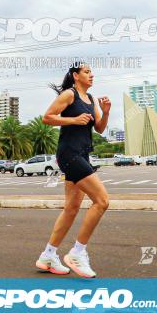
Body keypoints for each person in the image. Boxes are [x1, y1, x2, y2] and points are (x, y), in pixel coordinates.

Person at [36, 62, 111, 278]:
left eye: (91, 72)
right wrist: (74, 120)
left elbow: (99, 128)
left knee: (72, 207)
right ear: (75, 75)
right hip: (69, 154)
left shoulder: (92, 99)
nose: (91, 75)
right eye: (87, 72)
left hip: (83, 153)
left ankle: (48, 255)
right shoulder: (69, 95)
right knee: (102, 200)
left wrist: (105, 113)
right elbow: (47, 117)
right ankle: (78, 252)